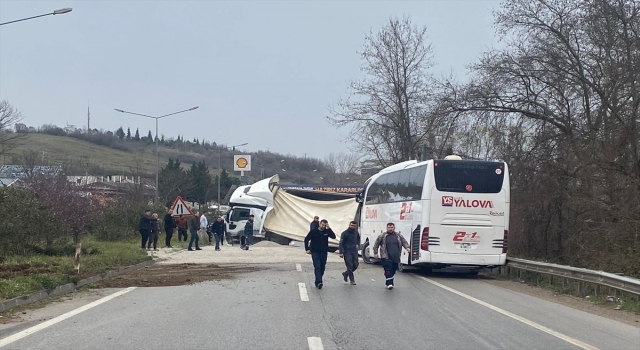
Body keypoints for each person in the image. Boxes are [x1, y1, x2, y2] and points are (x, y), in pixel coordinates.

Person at [373, 223, 410, 290]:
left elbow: (404, 242)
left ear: (394, 228)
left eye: (392, 227)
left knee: (393, 270)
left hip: (396, 256)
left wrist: (407, 248)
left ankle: (388, 281)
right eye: (389, 227)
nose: (390, 228)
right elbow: (376, 244)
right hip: (386, 256)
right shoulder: (382, 236)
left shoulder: (398, 236)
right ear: (387, 228)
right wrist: (375, 253)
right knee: (388, 269)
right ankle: (390, 283)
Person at [304, 219, 336, 289]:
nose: (323, 226)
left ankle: (317, 281)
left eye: (325, 225)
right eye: (322, 224)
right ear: (319, 224)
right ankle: (319, 282)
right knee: (317, 267)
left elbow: (333, 236)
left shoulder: (327, 232)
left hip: (324, 252)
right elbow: (306, 239)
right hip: (315, 252)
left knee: (322, 267)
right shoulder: (314, 231)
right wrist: (307, 249)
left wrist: (329, 228)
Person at [339, 221, 360, 285]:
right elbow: (341, 243)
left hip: (354, 251)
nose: (353, 227)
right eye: (352, 225)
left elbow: (358, 238)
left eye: (354, 226)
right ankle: (352, 280)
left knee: (356, 265)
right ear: (349, 225)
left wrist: (357, 244)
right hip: (347, 252)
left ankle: (345, 274)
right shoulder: (344, 233)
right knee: (350, 266)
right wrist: (341, 252)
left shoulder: (356, 232)